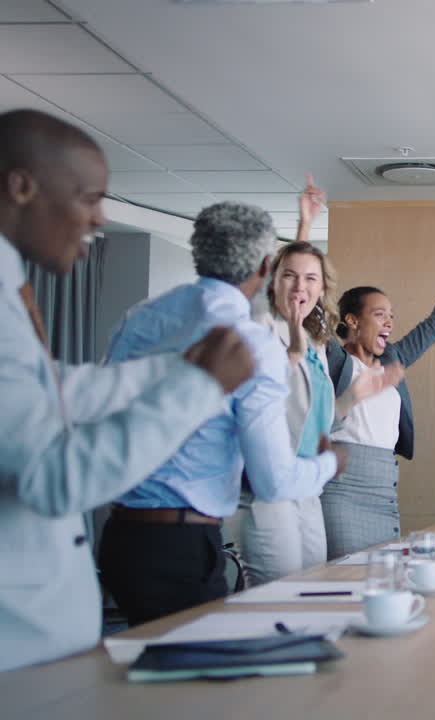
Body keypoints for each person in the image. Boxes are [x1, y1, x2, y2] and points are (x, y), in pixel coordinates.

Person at [0, 109, 255, 671]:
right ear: (22, 186)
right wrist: (196, 386)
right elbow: (55, 479)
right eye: (90, 197)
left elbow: (54, 389)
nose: (100, 217)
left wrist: (172, 370)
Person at [99, 201, 343, 627]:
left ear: (198, 253)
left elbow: (103, 412)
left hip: (122, 537)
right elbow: (274, 481)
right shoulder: (252, 344)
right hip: (183, 544)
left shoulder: (139, 319)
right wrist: (330, 463)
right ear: (266, 268)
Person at [235, 178, 404, 585]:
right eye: (290, 277)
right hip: (271, 489)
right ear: (274, 280)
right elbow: (286, 292)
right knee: (278, 593)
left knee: (312, 587)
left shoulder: (313, 343)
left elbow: (322, 421)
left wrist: (355, 396)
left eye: (312, 280)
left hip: (308, 487)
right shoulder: (262, 328)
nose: (301, 287)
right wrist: (304, 224)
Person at [321, 222, 435, 558]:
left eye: (391, 316)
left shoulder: (394, 357)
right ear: (352, 320)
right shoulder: (334, 358)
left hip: (385, 487)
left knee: (384, 575)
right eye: (379, 314)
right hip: (342, 487)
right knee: (347, 574)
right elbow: (311, 308)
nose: (388, 322)